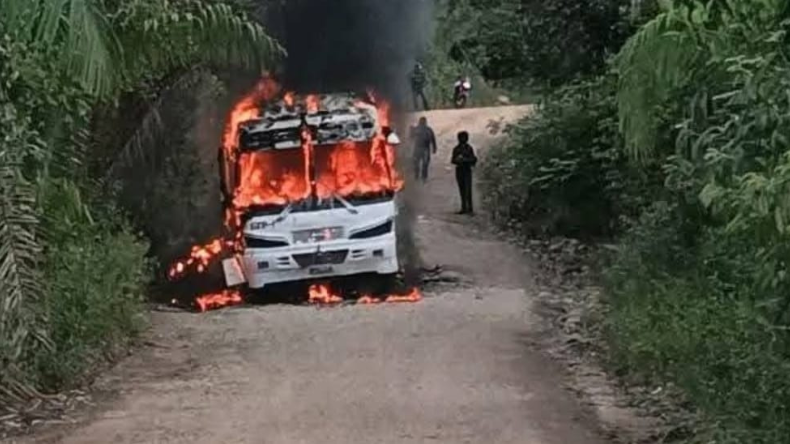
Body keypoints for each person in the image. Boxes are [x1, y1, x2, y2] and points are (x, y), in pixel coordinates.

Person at [451, 131, 477, 214]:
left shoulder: (469, 148)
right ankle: (464, 207)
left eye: (465, 138)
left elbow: (473, 160)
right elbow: (453, 160)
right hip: (460, 171)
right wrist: (458, 160)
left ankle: (469, 208)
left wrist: (464, 160)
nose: (463, 139)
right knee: (462, 189)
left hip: (466, 170)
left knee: (468, 189)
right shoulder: (456, 149)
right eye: (462, 138)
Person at [410, 117, 437, 182]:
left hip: (425, 149)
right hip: (419, 148)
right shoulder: (418, 129)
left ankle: (423, 176)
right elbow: (411, 137)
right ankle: (418, 175)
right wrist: (411, 130)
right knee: (417, 163)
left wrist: (434, 147)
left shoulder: (428, 130)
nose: (422, 123)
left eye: (423, 122)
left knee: (424, 164)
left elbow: (433, 139)